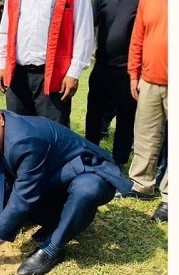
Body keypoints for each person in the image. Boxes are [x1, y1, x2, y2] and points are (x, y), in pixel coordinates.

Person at [0, 96, 134, 275]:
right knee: (7, 205)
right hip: (53, 179)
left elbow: (23, 198)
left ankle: (53, 248)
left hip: (88, 173)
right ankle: (60, 221)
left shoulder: (24, 140)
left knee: (86, 190)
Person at [0, 0, 93, 126]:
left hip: (54, 75)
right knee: (19, 129)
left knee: (53, 131)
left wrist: (74, 72)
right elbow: (6, 28)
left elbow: (83, 31)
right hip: (17, 73)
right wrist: (2, 63)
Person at [83, 0, 139, 167]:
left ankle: (119, 161)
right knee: (93, 113)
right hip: (101, 66)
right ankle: (90, 154)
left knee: (126, 118)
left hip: (127, 71)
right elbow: (87, 25)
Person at [127, 0, 168, 223]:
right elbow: (138, 38)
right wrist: (134, 73)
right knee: (145, 134)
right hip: (150, 78)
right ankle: (141, 185)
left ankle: (170, 197)